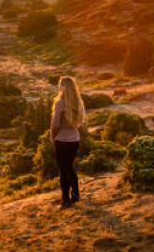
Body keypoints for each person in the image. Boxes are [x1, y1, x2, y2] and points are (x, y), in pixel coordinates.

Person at [50, 75, 86, 208]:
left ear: (63, 87)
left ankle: (65, 199)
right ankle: (75, 194)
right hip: (74, 140)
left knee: (63, 170)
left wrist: (52, 137)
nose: (59, 87)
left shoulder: (60, 103)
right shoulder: (78, 102)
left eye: (60, 85)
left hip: (62, 141)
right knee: (70, 167)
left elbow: (55, 125)